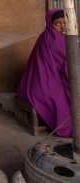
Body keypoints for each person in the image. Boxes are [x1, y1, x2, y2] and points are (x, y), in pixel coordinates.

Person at [16, 8, 70, 137]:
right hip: (46, 85)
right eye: (57, 24)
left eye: (65, 23)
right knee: (66, 98)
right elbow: (68, 66)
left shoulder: (45, 35)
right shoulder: (56, 40)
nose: (63, 27)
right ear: (50, 24)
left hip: (39, 82)